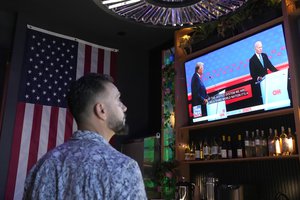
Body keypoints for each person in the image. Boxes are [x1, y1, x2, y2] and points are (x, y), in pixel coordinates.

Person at [23, 73, 147, 199]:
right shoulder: (123, 168)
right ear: (101, 110)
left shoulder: (43, 166)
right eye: (118, 100)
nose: (124, 107)